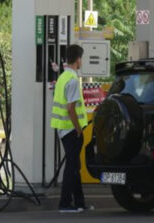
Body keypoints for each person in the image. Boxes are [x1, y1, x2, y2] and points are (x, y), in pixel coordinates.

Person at [51, 44, 93, 213]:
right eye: (81, 58)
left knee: (75, 166)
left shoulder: (62, 77)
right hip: (71, 130)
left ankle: (80, 202)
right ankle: (65, 204)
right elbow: (70, 108)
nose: (81, 61)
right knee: (72, 167)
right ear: (77, 60)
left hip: (62, 129)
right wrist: (78, 129)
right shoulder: (73, 80)